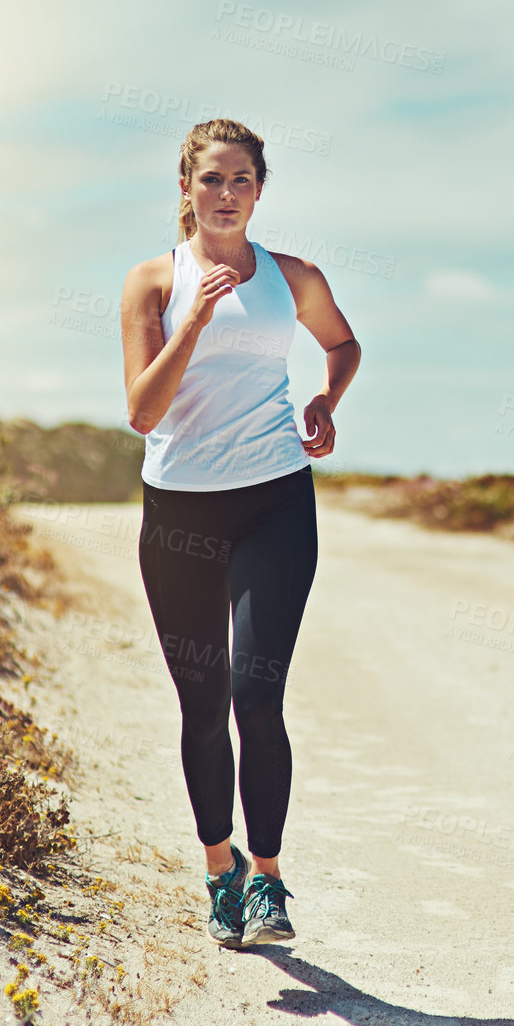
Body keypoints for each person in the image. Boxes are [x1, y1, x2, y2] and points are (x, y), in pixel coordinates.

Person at [120, 117, 360, 947]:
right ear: (185, 187)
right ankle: (219, 869)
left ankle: (269, 880)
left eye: (242, 180)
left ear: (261, 190)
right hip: (180, 510)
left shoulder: (292, 277)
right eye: (212, 179)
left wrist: (326, 397)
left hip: (274, 500)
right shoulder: (154, 281)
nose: (227, 194)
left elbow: (343, 341)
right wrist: (193, 325)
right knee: (204, 702)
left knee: (259, 698)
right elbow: (142, 411)